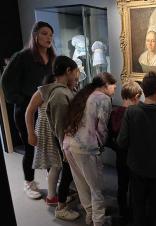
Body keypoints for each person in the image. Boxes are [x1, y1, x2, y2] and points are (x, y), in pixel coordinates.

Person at [1, 21, 56, 199]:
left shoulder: (52, 57)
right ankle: (29, 182)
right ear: (35, 36)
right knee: (30, 146)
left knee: (49, 145)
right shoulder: (22, 57)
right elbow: (6, 83)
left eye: (51, 34)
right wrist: (24, 100)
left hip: (46, 111)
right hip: (27, 111)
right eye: (44, 34)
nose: (49, 38)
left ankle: (51, 179)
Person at [117, 71, 156, 226]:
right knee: (155, 204)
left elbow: (122, 142)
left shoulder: (131, 112)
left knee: (138, 203)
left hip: (136, 167)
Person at [63, 72, 117, 226]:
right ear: (106, 85)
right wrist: (101, 144)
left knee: (81, 185)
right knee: (96, 188)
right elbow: (102, 128)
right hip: (86, 147)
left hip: (69, 144)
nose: (115, 89)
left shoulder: (85, 94)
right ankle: (98, 221)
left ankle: (90, 216)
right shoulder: (104, 99)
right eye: (114, 86)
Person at [41, 55, 80, 220]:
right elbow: (59, 126)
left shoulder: (65, 90)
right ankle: (61, 207)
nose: (77, 75)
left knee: (71, 172)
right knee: (67, 173)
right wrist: (64, 148)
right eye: (75, 72)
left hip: (70, 140)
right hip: (66, 142)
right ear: (68, 71)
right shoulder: (58, 95)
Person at [108, 80, 142, 224]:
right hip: (133, 157)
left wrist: (118, 148)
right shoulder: (136, 114)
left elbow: (110, 135)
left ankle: (123, 211)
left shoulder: (115, 112)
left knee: (122, 185)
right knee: (135, 186)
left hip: (120, 155)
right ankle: (133, 213)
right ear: (136, 96)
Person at [25, 74, 62, 206]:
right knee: (55, 164)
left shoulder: (63, 90)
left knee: (56, 164)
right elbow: (29, 111)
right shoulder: (42, 91)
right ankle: (51, 196)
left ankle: (55, 191)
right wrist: (31, 134)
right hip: (46, 131)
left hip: (57, 131)